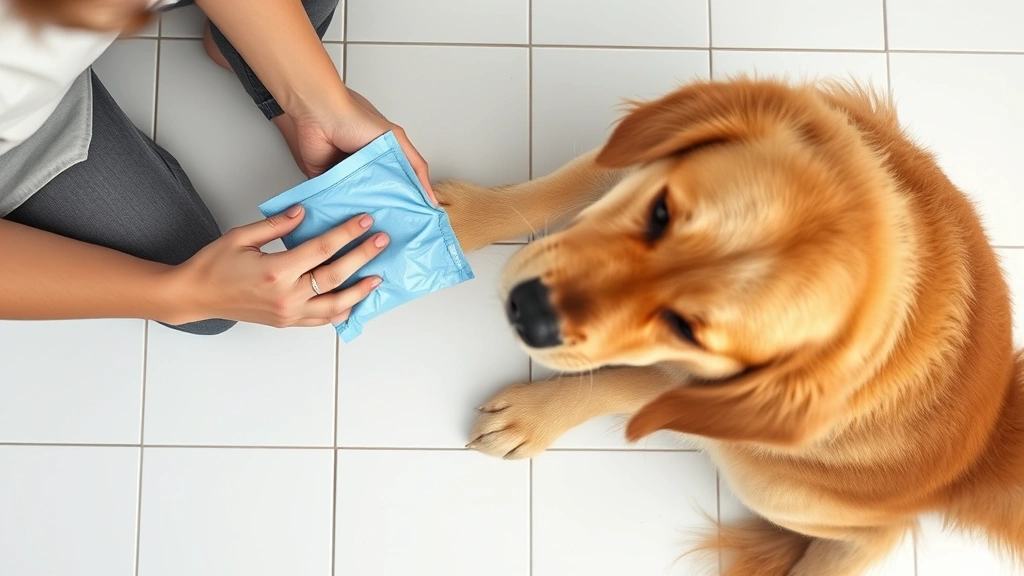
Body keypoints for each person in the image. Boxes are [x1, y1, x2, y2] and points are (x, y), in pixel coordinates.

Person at [0, 0, 434, 335]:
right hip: (22, 136)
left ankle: (245, 55)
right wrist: (177, 295)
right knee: (204, 297)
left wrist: (316, 102)